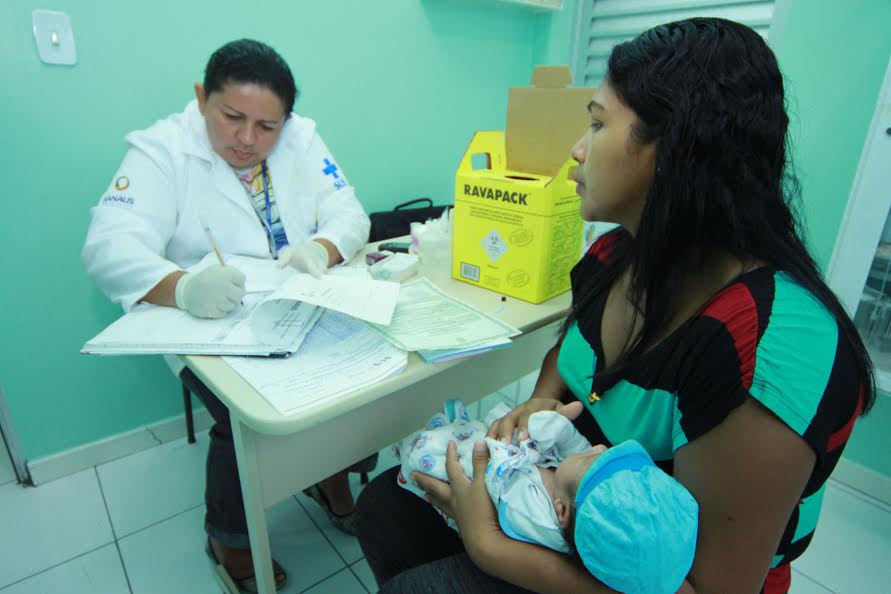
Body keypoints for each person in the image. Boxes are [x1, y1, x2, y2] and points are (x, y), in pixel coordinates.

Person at [356, 17, 875, 594]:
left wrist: (492, 548)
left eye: (598, 123)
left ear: (676, 145)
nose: (576, 151)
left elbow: (708, 587)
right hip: (572, 508)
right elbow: (571, 354)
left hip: (647, 573)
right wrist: (541, 398)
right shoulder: (615, 256)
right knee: (384, 507)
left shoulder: (770, 347)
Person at [83, 39, 373, 591]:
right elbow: (107, 247)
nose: (247, 139)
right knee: (243, 417)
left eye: (267, 126)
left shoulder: (302, 138)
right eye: (232, 117)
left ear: (287, 120)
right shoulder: (162, 149)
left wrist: (322, 249)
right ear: (202, 98)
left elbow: (349, 213)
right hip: (208, 321)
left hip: (298, 303)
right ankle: (230, 540)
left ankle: (331, 477)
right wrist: (184, 288)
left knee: (360, 376)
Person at [397, 400, 698, 593]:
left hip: (478, 481)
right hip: (519, 463)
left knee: (424, 454)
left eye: (592, 460)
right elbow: (577, 448)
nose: (598, 448)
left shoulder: (536, 518)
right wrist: (560, 428)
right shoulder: (582, 497)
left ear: (561, 511)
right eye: (605, 453)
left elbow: (495, 487)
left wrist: (509, 453)